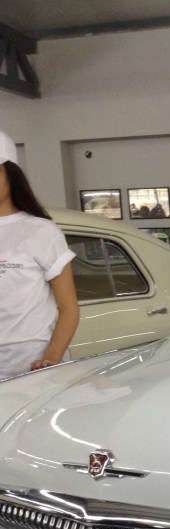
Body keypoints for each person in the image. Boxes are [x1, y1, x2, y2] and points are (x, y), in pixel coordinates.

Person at [0, 130, 79, 380]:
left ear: (11, 174)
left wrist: (51, 359)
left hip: (31, 364)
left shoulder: (41, 231)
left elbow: (69, 308)